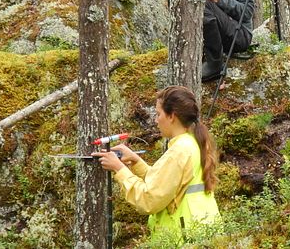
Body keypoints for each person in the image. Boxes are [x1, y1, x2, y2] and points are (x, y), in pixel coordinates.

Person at [92, 86, 220, 242]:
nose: (156, 120)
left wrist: (119, 169)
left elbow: (149, 199)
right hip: (200, 232)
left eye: (159, 114)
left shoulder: (178, 151)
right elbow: (167, 183)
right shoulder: (192, 142)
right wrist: (136, 161)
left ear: (172, 116)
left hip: (183, 238)